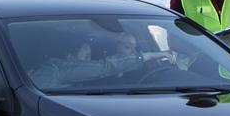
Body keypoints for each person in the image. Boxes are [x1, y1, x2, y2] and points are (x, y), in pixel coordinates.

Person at [29, 34, 171, 89]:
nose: (90, 62)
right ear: (69, 58)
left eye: (91, 57)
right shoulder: (53, 69)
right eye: (86, 57)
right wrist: (148, 55)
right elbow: (101, 67)